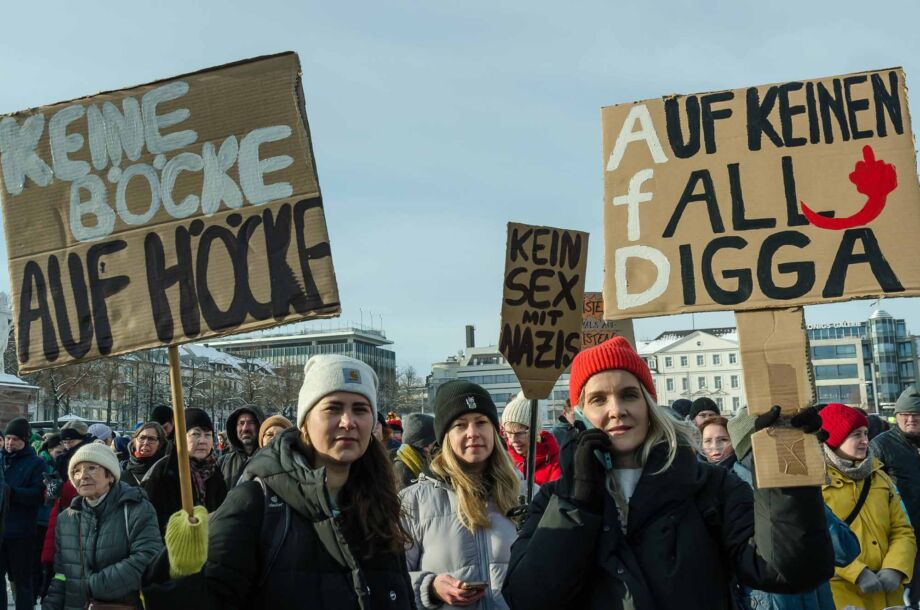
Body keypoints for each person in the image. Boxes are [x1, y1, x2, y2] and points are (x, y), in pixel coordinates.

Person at [503, 337, 835, 610]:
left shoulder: (709, 486)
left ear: (650, 406)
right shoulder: (555, 499)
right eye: (598, 399)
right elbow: (528, 597)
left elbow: (786, 571)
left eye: (629, 395)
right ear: (579, 415)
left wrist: (788, 481)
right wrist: (578, 503)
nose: (616, 410)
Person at [141, 354, 414, 609]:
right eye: (333, 408)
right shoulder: (255, 501)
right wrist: (177, 568)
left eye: (360, 409)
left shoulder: (381, 504)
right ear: (305, 422)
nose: (348, 421)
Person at [400, 380, 527, 610]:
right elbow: (391, 580)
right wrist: (430, 587)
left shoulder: (527, 494)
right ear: (445, 435)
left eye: (481, 422)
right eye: (460, 425)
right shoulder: (413, 502)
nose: (473, 433)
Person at [727, 407, 862, 610]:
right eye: (779, 436)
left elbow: (847, 551)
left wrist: (802, 498)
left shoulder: (800, 490)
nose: (788, 445)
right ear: (753, 449)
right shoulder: (733, 499)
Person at [820, 402, 917, 610]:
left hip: (890, 595)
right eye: (856, 435)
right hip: (842, 596)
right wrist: (856, 572)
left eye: (866, 433)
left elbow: (903, 530)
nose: (865, 441)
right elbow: (816, 542)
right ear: (834, 438)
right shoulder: (814, 485)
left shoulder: (880, 477)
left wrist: (896, 567)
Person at [42, 443, 162, 609]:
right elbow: (62, 573)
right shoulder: (66, 519)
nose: (82, 476)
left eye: (91, 468)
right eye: (76, 471)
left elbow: (147, 556)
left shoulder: (136, 509)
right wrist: (51, 605)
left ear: (110, 476)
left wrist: (92, 585)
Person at [872, 385, 920, 608]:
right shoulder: (881, 446)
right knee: (906, 598)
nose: (911, 419)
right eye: (905, 414)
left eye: (917, 414)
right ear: (897, 416)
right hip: (902, 536)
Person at [142, 409, 227, 533]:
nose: (202, 440)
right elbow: (150, 520)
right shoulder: (164, 471)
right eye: (195, 434)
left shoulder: (215, 472)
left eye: (208, 435)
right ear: (181, 438)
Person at [1, 418, 46, 610]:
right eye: (8, 438)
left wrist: (11, 492)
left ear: (25, 440)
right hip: (1, 531)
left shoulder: (36, 463)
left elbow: (38, 496)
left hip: (22, 532)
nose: (10, 443)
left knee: (22, 582)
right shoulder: (1, 460)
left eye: (15, 439)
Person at [501, 392, 562, 485]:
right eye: (508, 433)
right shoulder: (503, 460)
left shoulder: (555, 462)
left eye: (519, 433)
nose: (513, 440)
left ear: (535, 431)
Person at [217, 405, 263, 488]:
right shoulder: (223, 463)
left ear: (260, 425)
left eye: (251, 423)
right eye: (241, 423)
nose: (245, 428)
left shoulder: (269, 461)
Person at [393, 413, 436, 489]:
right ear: (424, 444)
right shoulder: (402, 469)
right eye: (434, 442)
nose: (438, 447)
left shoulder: (416, 459)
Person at [121, 422, 168, 487]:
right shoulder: (122, 468)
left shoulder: (167, 471)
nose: (145, 443)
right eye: (142, 438)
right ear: (135, 441)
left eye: (151, 439)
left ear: (160, 444)